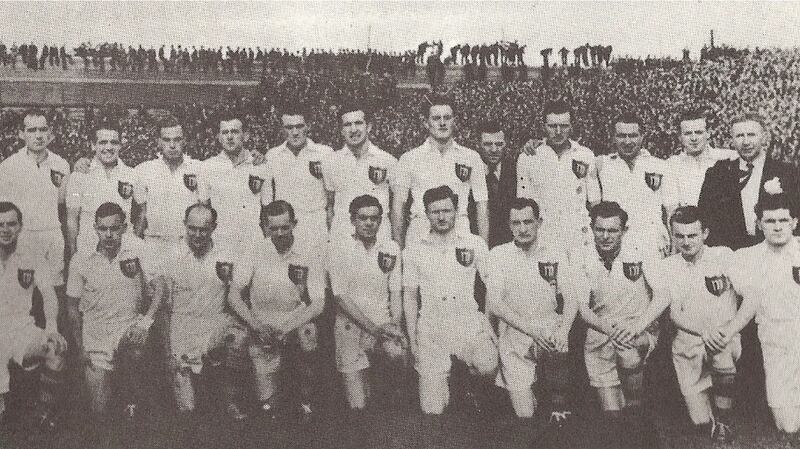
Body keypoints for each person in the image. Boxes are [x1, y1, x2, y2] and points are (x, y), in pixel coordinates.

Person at [615, 206, 738, 442]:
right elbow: (672, 314)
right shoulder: (667, 267)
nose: (686, 241)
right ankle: (707, 411)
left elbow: (748, 291)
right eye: (679, 235)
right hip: (687, 345)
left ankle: (723, 421)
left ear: (705, 233)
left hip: (725, 338)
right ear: (672, 235)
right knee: (700, 421)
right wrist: (704, 331)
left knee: (722, 352)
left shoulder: (724, 255)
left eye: (692, 235)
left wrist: (723, 330)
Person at [708, 194, 800, 434]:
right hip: (776, 342)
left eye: (783, 220)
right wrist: (724, 331)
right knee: (788, 426)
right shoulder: (746, 258)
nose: (777, 226)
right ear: (759, 224)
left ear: (794, 222)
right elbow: (750, 301)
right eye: (770, 221)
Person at [228, 200, 326, 422]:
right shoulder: (254, 250)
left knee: (308, 334)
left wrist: (286, 328)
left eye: (285, 227)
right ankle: (268, 401)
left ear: (294, 224)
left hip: (294, 322)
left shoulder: (310, 251)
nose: (280, 233)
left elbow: (318, 303)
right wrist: (257, 326)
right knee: (269, 409)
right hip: (263, 327)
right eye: (273, 228)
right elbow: (233, 295)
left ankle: (305, 400)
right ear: (265, 227)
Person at [402, 185, 497, 415]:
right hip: (433, 327)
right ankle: (449, 381)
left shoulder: (474, 243)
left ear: (457, 211)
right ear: (426, 213)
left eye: (447, 210)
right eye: (435, 212)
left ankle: (470, 385)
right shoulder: (414, 248)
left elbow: (493, 286)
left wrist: (489, 326)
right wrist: (413, 340)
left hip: (467, 323)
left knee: (487, 365)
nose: (442, 216)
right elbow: (410, 295)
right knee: (433, 410)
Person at [65, 202, 163, 420]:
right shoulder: (81, 259)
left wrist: (145, 323)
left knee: (136, 348)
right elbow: (72, 307)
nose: (108, 234)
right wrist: (80, 347)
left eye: (114, 228)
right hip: (96, 337)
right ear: (95, 228)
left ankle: (132, 399)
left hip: (127, 328)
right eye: (103, 229)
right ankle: (121, 400)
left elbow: (160, 287)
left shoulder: (136, 250)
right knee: (100, 413)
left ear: (124, 228)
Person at [487, 197, 579, 429]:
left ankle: (559, 405)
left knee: (557, 347)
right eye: (516, 223)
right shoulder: (498, 255)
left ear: (539, 222)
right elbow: (496, 305)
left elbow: (571, 298)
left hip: (549, 331)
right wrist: (531, 332)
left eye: (528, 222)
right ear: (509, 225)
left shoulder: (555, 251)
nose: (523, 228)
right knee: (525, 417)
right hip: (515, 337)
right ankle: (533, 390)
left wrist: (563, 330)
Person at [577, 201, 659, 448]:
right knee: (613, 419)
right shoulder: (581, 257)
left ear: (624, 230)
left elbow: (663, 295)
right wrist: (610, 330)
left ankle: (637, 409)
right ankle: (629, 414)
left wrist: (636, 328)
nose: (605, 236)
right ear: (591, 228)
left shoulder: (642, 251)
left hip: (639, 332)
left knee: (628, 353)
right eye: (599, 229)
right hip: (601, 338)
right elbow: (582, 310)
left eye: (612, 230)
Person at [157, 203, 249, 422]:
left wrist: (230, 324)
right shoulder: (172, 256)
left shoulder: (226, 256)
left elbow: (238, 297)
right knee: (187, 411)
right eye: (192, 228)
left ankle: (230, 401)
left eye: (203, 229)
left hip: (214, 325)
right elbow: (164, 309)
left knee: (237, 337)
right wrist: (168, 353)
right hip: (182, 328)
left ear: (213, 228)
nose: (197, 234)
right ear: (184, 226)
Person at [328, 195, 408, 412]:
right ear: (352, 220)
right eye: (362, 218)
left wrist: (394, 325)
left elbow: (396, 293)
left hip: (382, 324)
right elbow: (340, 297)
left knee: (396, 353)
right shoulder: (338, 248)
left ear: (381, 220)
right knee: (358, 406)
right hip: (350, 327)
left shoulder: (390, 248)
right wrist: (374, 330)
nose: (369, 223)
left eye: (374, 218)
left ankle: (388, 387)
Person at [0, 201, 67, 430]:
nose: (5, 229)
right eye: (0, 224)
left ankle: (44, 414)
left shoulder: (31, 254)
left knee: (55, 350)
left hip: (21, 329)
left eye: (11, 224)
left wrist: (51, 327)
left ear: (20, 226)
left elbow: (48, 294)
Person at [391, 95, 489, 248]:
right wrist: (398, 250)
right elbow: (398, 208)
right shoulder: (409, 158)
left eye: (447, 117)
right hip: (420, 233)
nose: (442, 123)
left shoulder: (471, 157)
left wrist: (483, 250)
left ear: (454, 121)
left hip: (459, 233)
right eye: (436, 118)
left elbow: (482, 206)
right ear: (426, 122)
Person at [698, 113, 800, 250]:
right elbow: (705, 219)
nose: (746, 142)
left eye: (751, 135)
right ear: (732, 140)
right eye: (740, 136)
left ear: (764, 137)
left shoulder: (787, 172)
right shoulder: (718, 174)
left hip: (776, 252)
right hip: (732, 255)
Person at [517, 101, 600, 257]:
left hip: (579, 240)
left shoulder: (585, 155)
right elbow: (523, 207)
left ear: (571, 126)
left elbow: (595, 203)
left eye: (564, 126)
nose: (558, 131)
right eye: (552, 126)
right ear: (544, 126)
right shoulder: (528, 157)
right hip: (544, 240)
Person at [0, 109, 70, 291]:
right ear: (21, 134)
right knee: (23, 292)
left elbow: (61, 203)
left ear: (50, 133)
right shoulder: (9, 167)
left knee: (54, 293)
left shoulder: (61, 165)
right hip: (23, 238)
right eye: (31, 130)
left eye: (42, 129)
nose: (38, 136)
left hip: (52, 236)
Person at [591, 112, 671, 258]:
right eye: (621, 136)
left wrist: (674, 245)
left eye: (633, 135)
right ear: (613, 137)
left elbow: (671, 210)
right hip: (617, 246)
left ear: (642, 136)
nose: (627, 141)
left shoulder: (660, 166)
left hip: (653, 244)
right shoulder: (602, 165)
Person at [261, 104, 334, 250]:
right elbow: (267, 203)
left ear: (308, 126)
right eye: (289, 127)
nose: (295, 132)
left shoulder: (325, 153)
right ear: (282, 129)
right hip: (285, 229)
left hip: (316, 228)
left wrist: (332, 232)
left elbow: (332, 199)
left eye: (299, 126)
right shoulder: (272, 155)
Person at [133, 116, 202, 267]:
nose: (172, 145)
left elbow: (204, 211)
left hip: (187, 247)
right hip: (154, 245)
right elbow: (141, 214)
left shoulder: (199, 169)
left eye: (177, 140)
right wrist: (134, 250)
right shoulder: (143, 170)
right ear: (159, 141)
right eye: (166, 140)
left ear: (184, 141)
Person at [323, 103, 397, 241]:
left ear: (368, 126)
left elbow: (396, 206)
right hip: (343, 237)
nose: (353, 129)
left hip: (378, 238)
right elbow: (330, 205)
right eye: (347, 125)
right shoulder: (330, 162)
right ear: (341, 130)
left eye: (358, 123)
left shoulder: (388, 161)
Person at [197, 112, 266, 252]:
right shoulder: (207, 167)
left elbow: (268, 210)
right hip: (220, 242)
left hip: (253, 243)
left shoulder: (261, 165)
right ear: (219, 137)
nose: (229, 137)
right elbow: (203, 209)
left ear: (245, 135)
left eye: (234, 132)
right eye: (225, 132)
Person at [66, 119, 136, 257]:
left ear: (121, 145)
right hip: (89, 250)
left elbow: (142, 211)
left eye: (114, 142)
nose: (108, 147)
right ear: (93, 145)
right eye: (103, 142)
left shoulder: (132, 174)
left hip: (124, 252)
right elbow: (72, 219)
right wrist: (74, 255)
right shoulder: (79, 176)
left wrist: (133, 240)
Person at [665, 110, 737, 217]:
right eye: (688, 133)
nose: (694, 138)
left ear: (708, 133)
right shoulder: (672, 165)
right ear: (680, 137)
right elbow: (672, 210)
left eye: (699, 132)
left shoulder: (729, 157)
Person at [470, 121, 517, 249]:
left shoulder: (516, 170)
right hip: (476, 245)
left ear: (505, 144)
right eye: (488, 144)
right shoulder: (468, 171)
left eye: (499, 144)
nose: (494, 150)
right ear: (478, 144)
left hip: (509, 247)